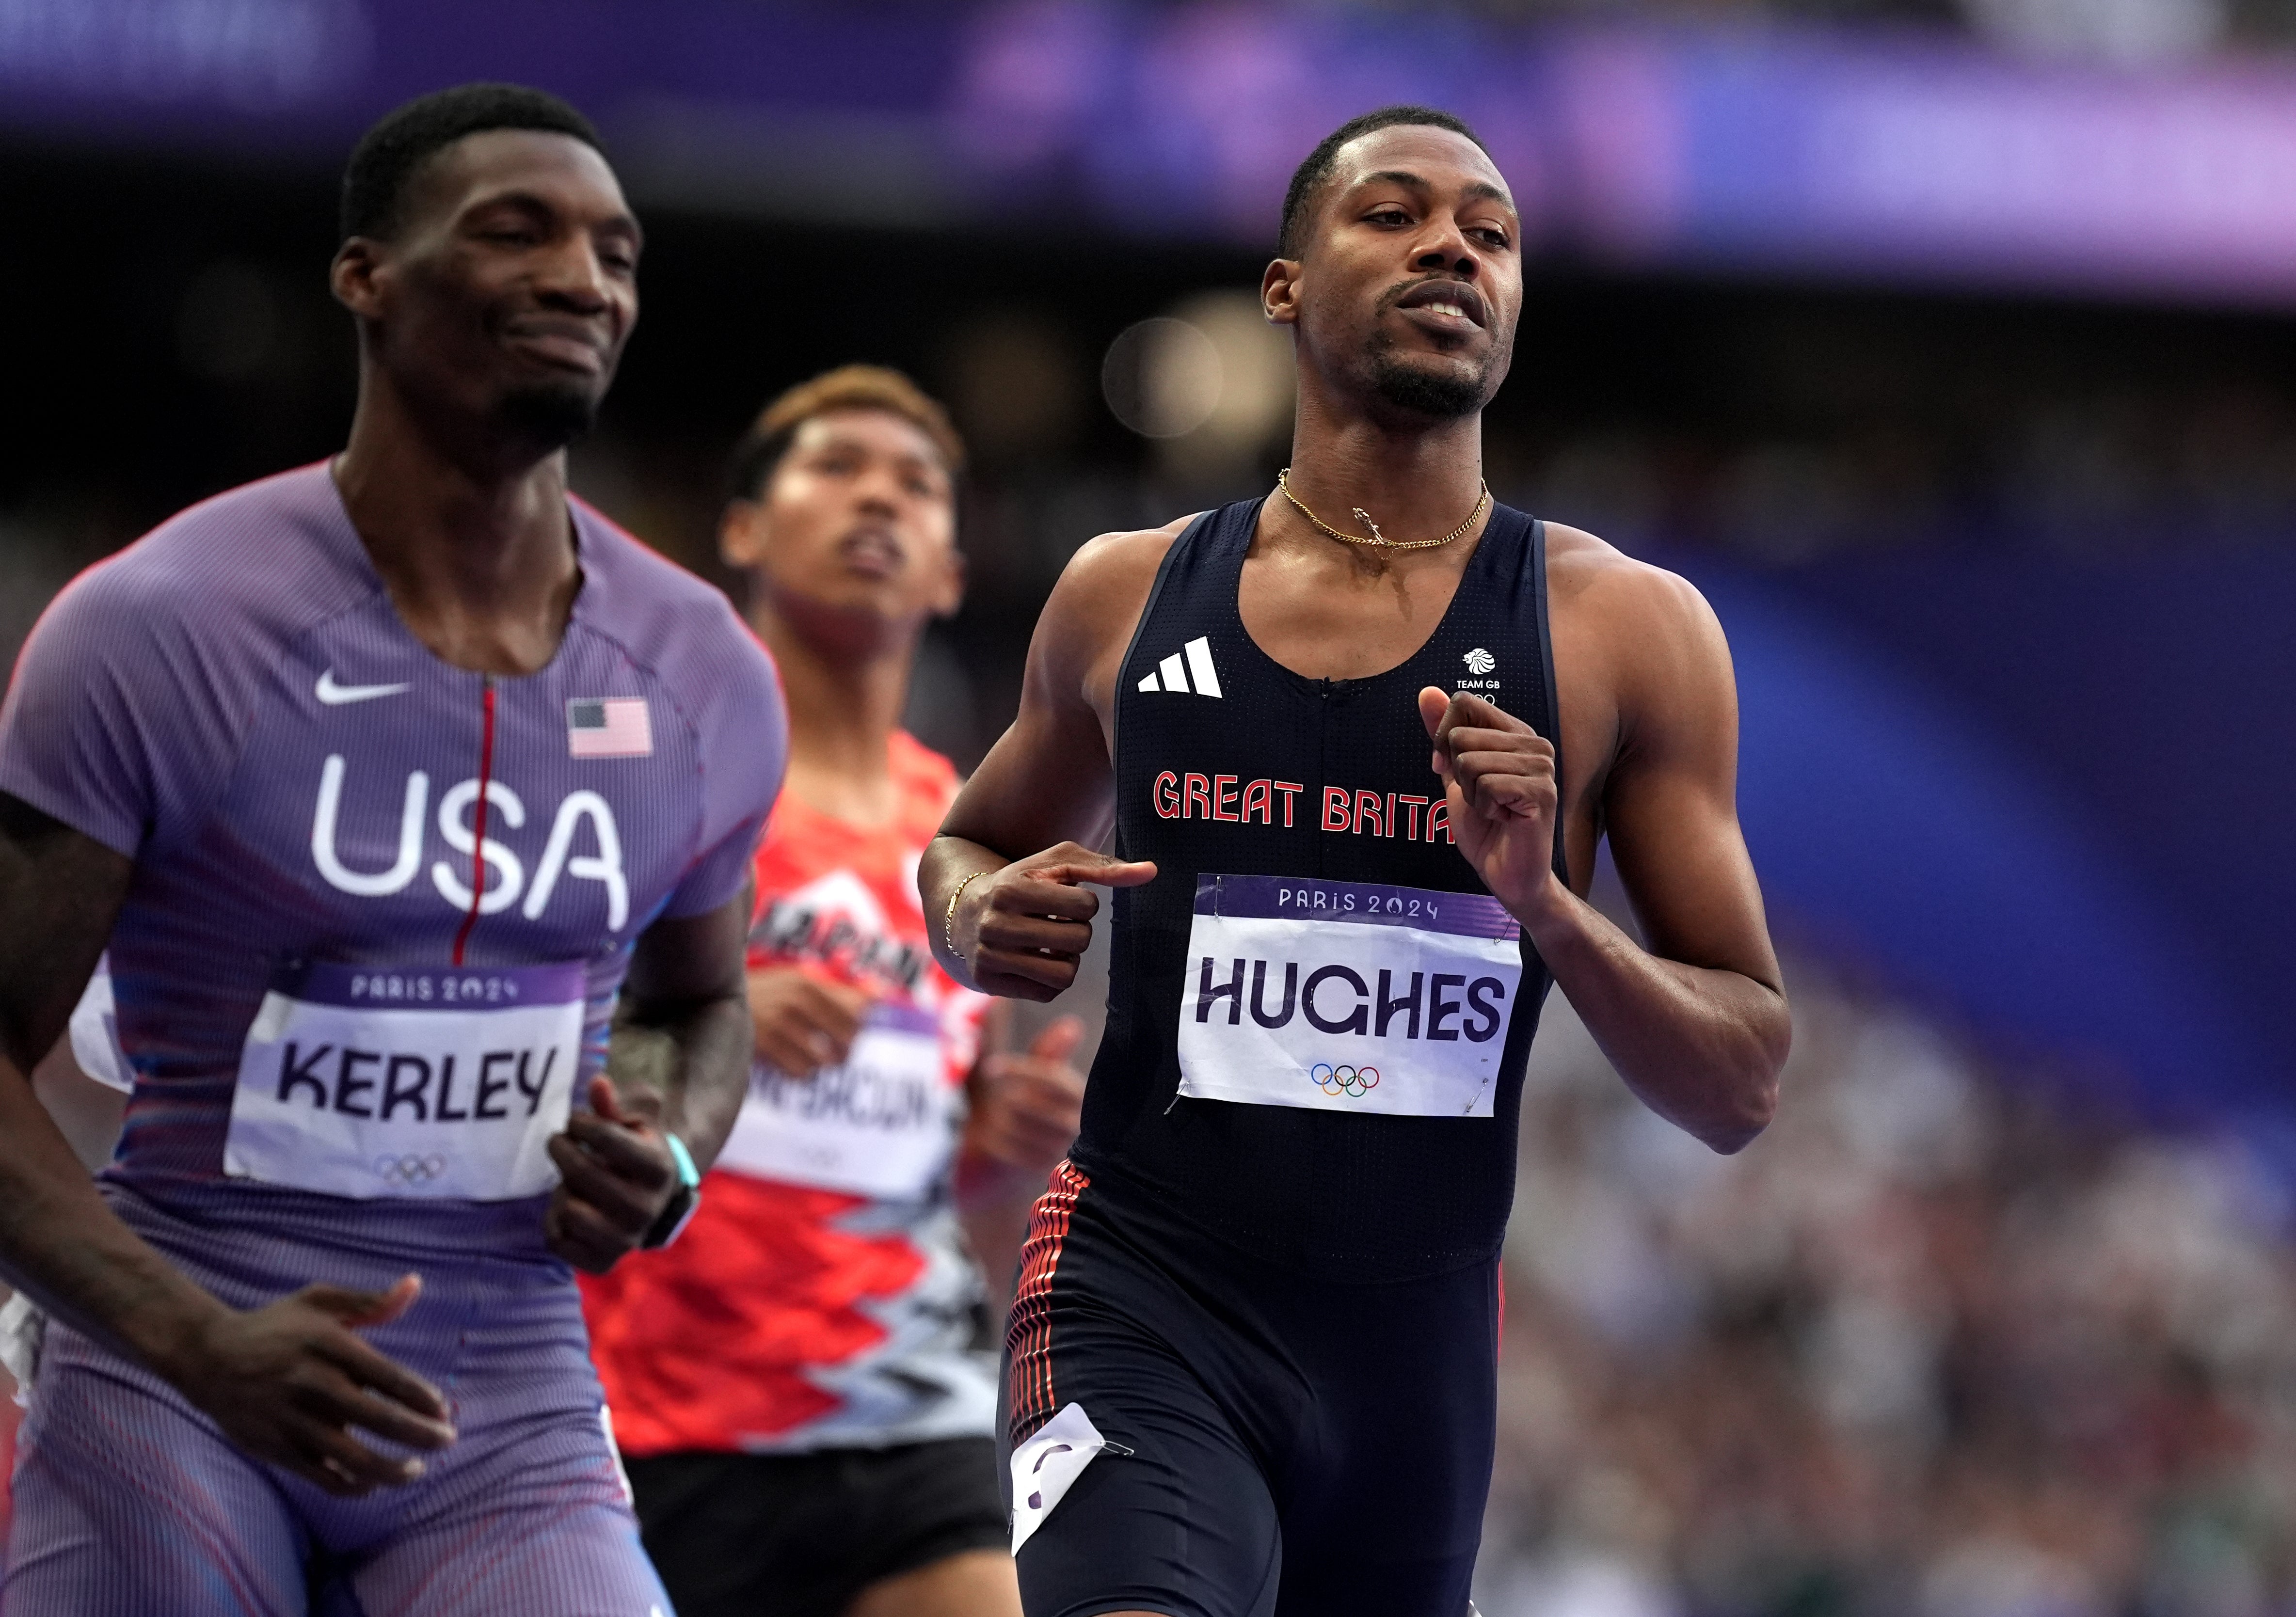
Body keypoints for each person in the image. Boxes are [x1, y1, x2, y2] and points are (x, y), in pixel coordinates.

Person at [920, 105, 1794, 1617]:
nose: (1453, 244)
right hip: (1140, 1291)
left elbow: (1740, 1085)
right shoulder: (1125, 597)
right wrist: (971, 911)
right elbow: (968, 839)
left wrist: (1546, 906)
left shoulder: (1624, 630)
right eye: (1393, 214)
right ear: (1284, 289)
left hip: (1417, 1363)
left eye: (1493, 233)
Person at [0, 83, 784, 1616]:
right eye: (517, 233)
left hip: (502, 1392)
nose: (583, 279)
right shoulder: (158, 625)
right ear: (366, 275)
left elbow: (704, 1007)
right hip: (182, 1359)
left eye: (616, 253)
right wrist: (186, 1338)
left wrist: (674, 1149)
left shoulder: (696, 668)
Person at [581, 366, 1088, 1617]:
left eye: (917, 486)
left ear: (951, 574)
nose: (879, 500)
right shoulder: (636, 764)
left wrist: (994, 1144)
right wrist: (720, 1015)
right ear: (744, 528)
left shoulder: (964, 834)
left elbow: (937, 1157)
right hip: (658, 1416)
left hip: (904, 1409)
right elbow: (508, 1025)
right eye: (837, 468)